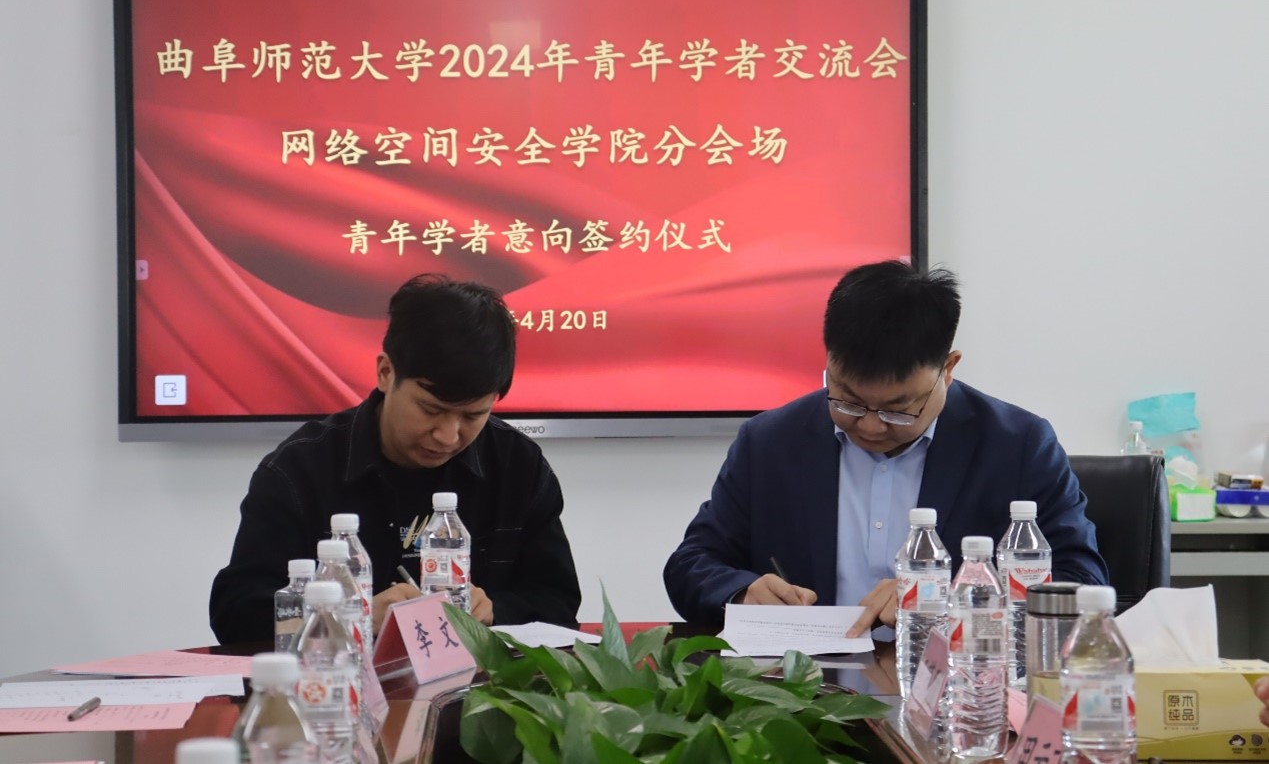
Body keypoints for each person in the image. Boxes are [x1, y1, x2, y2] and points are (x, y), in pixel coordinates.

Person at [663, 260, 1107, 633]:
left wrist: (941, 599)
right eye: (848, 401)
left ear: (948, 369)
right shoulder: (770, 442)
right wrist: (741, 592)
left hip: (959, 688)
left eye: (899, 409)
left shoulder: (1018, 445)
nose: (871, 426)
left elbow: (1081, 580)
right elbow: (692, 563)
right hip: (806, 691)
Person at [210, 275, 581, 644]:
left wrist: (495, 610)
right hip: (341, 677)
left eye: (473, 415)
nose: (448, 436)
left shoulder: (517, 466)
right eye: (431, 409)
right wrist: (352, 617)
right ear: (386, 373)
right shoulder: (300, 469)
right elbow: (237, 613)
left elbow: (558, 602)